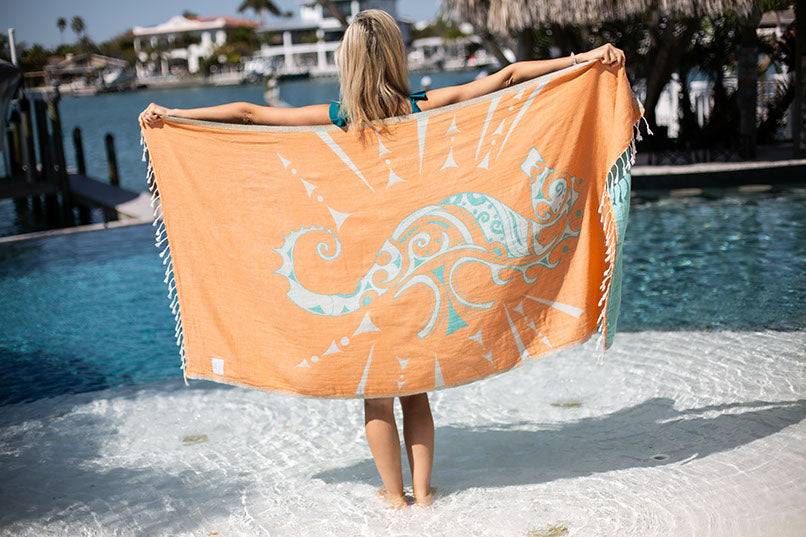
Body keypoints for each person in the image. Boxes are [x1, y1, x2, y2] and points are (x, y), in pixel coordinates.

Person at [139, 9, 625, 509]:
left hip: (373, 286)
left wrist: (173, 117)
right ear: (396, 57)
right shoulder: (422, 107)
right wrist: (586, 59)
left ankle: (394, 499)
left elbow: (248, 115)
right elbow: (506, 77)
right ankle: (426, 494)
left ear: (347, 63)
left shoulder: (338, 119)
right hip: (420, 286)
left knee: (376, 396)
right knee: (416, 392)